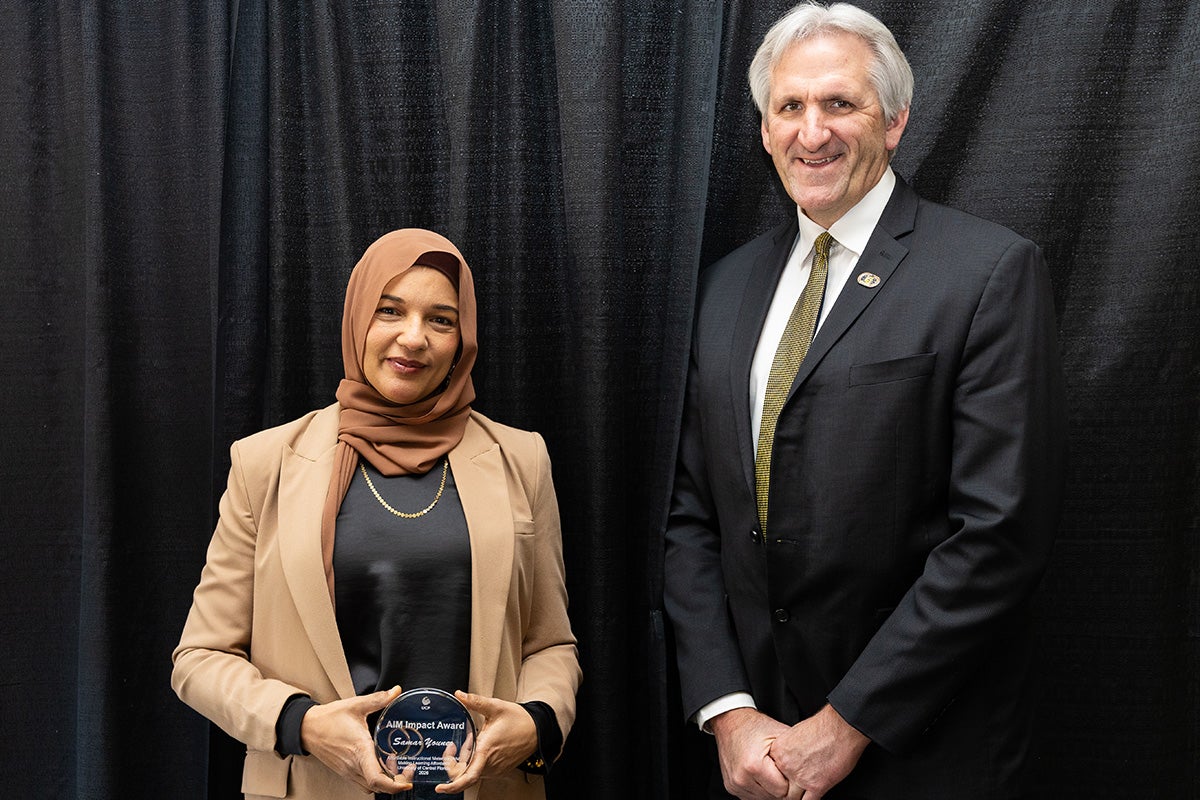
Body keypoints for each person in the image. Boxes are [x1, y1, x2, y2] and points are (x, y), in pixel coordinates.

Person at [664, 3, 1066, 799]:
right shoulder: (721, 289)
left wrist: (847, 721)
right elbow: (690, 514)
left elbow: (999, 533)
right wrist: (730, 711)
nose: (812, 131)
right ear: (766, 128)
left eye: (839, 103)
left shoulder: (987, 274)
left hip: (923, 750)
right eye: (790, 107)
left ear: (895, 122)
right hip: (758, 757)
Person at [173, 228, 581, 800]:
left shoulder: (521, 458)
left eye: (440, 319)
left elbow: (550, 645)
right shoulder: (266, 463)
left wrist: (536, 722)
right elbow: (200, 658)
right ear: (358, 317)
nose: (413, 338)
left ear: (462, 337)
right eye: (390, 310)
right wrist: (303, 725)